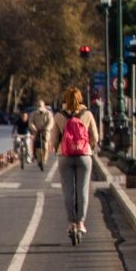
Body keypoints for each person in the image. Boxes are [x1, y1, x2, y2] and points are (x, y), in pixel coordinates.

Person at [49, 87, 100, 246]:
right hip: (84, 156)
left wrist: (58, 148)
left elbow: (54, 139)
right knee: (83, 190)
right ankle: (81, 223)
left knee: (68, 191)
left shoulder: (59, 116)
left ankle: (71, 223)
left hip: (65, 156)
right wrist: (89, 147)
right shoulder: (87, 114)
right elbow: (95, 137)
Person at [26, 97, 53, 172]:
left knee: (45, 144)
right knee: (36, 145)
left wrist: (47, 128)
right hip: (36, 131)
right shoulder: (33, 114)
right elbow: (30, 122)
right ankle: (37, 158)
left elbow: (51, 122)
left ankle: (44, 159)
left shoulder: (48, 113)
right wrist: (34, 128)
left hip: (45, 131)